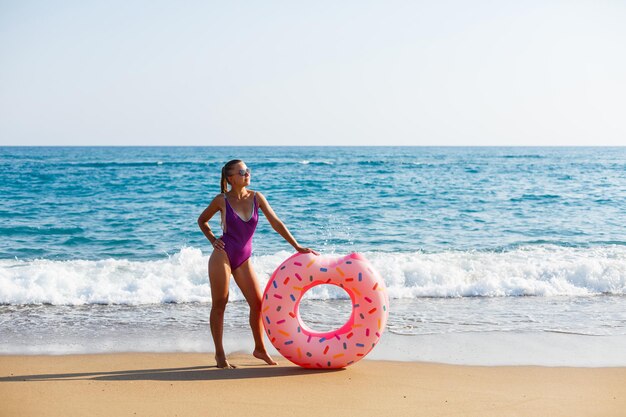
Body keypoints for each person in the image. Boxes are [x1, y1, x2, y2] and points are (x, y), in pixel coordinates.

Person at [197, 159, 317, 369]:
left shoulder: (256, 197)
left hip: (243, 258)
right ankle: (220, 355)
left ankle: (259, 348)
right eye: (242, 171)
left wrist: (297, 246)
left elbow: (276, 223)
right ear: (231, 178)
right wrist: (212, 239)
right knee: (220, 303)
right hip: (223, 255)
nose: (247, 174)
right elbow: (202, 220)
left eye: (248, 170)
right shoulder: (221, 200)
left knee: (258, 303)